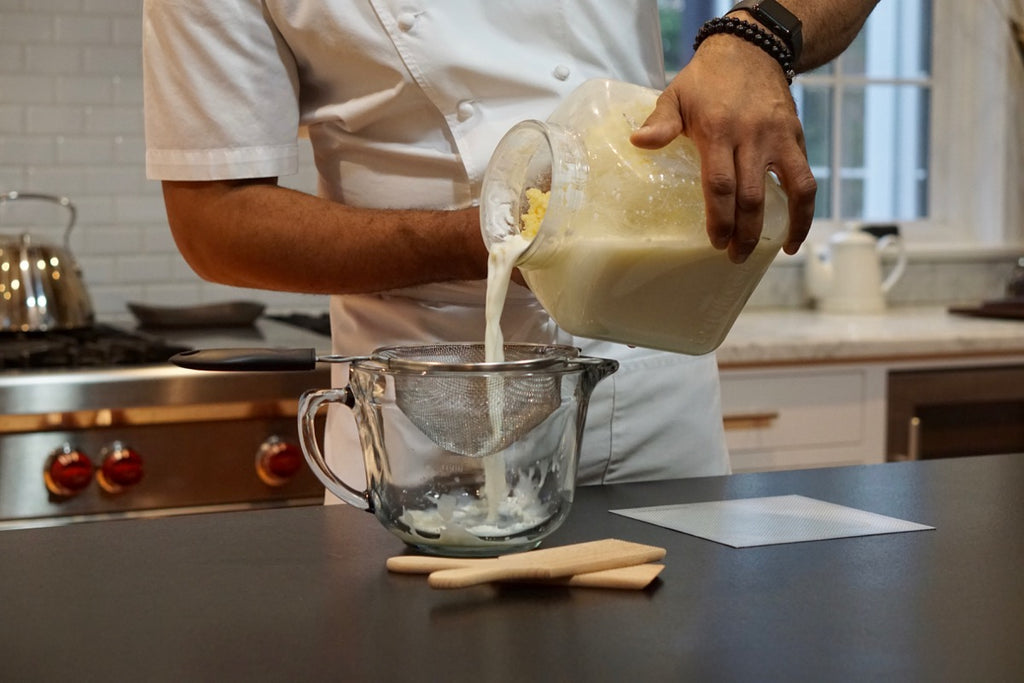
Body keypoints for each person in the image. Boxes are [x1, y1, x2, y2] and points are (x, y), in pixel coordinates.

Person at [143, 1, 877, 489]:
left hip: (651, 392)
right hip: (424, 428)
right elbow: (216, 219)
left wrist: (759, 36)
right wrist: (492, 236)